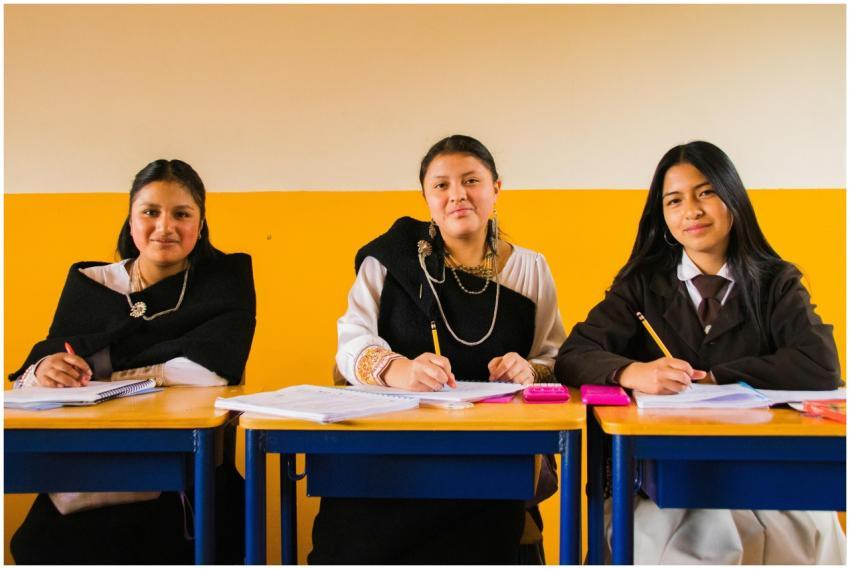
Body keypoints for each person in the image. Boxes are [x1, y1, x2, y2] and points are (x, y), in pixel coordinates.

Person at [555, 140, 845, 564]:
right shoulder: (640, 284)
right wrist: (632, 372)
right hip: (663, 483)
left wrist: (715, 376)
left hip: (760, 477)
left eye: (705, 193)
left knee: (810, 539)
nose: (691, 210)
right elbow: (574, 354)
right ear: (663, 216)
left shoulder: (776, 282)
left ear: (732, 197)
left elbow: (820, 364)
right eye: (675, 200)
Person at [308, 135, 566, 564]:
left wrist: (528, 370)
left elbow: (555, 358)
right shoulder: (389, 261)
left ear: (496, 188)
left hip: (487, 456)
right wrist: (398, 370)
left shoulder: (529, 268)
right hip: (389, 452)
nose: (457, 195)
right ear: (426, 196)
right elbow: (350, 343)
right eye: (441, 185)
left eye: (471, 181)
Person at [8, 159, 256, 564]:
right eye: (150, 212)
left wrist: (107, 379)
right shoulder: (92, 284)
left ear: (200, 222)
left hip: (173, 466)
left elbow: (211, 369)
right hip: (85, 464)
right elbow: (41, 364)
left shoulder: (225, 282)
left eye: (181, 214)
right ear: (130, 219)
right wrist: (46, 369)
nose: (165, 227)